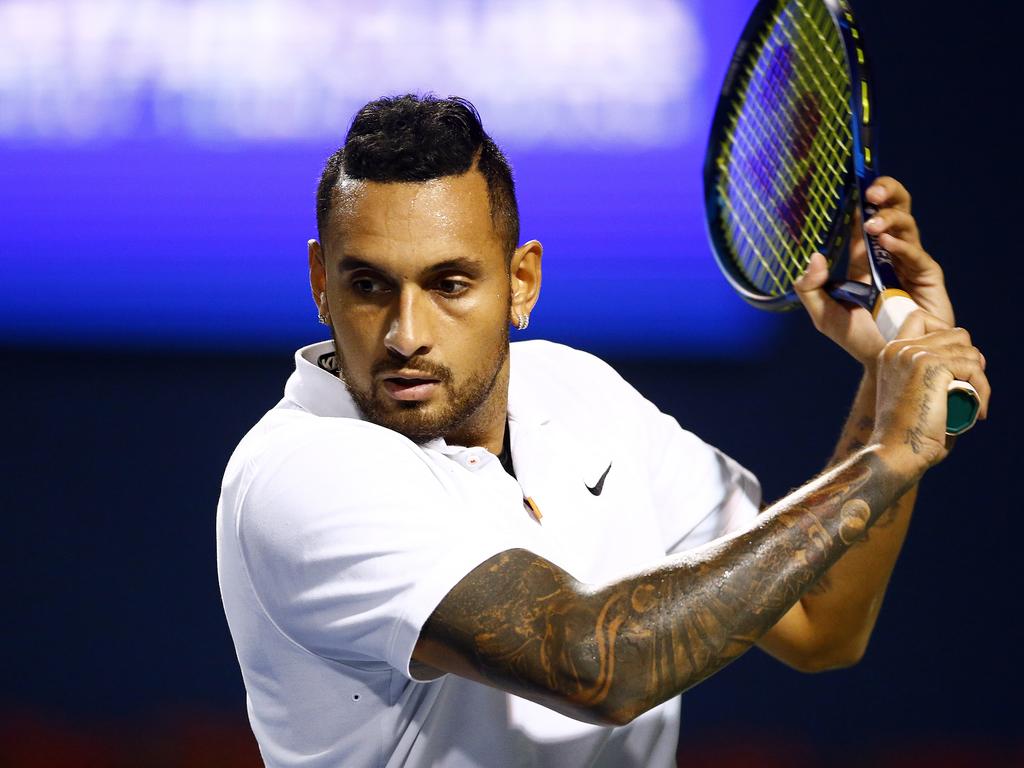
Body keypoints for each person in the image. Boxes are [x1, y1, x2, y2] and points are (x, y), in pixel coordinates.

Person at [216, 94, 990, 767]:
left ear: (521, 282)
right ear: (321, 282)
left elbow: (823, 624)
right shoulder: (299, 471)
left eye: (450, 284)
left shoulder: (577, 390)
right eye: (368, 286)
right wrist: (888, 453)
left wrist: (885, 385)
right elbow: (598, 664)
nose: (405, 333)